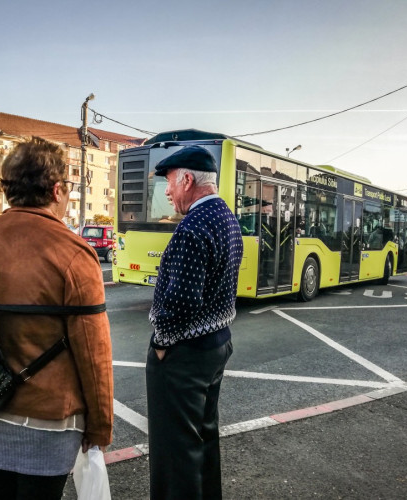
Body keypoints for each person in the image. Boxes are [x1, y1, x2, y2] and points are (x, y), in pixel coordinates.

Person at [0, 138, 113, 500]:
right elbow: (94, 353)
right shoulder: (74, 252)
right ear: (58, 189)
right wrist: (101, 425)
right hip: (48, 420)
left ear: (8, 188)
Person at [146, 145, 244, 500]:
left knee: (175, 452)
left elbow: (182, 301)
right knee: (203, 439)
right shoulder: (226, 218)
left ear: (187, 179)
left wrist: (160, 343)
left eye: (170, 183)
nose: (168, 192)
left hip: (183, 356)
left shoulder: (192, 227)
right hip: (215, 344)